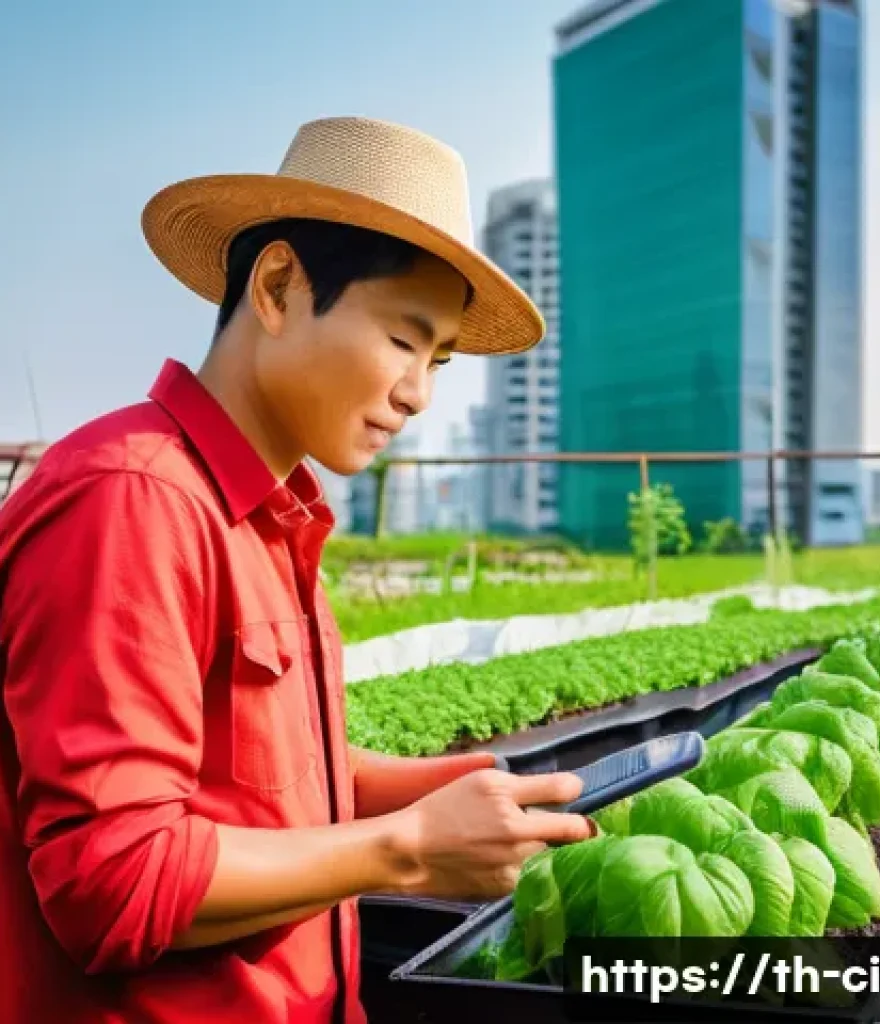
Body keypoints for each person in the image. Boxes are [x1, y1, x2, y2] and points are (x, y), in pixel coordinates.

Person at [0, 117, 595, 1024]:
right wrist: (407, 849)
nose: (419, 395)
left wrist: (467, 789)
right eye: (403, 340)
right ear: (278, 287)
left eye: (437, 361)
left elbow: (271, 780)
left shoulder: (273, 517)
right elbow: (115, 879)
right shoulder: (132, 501)